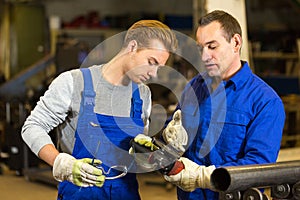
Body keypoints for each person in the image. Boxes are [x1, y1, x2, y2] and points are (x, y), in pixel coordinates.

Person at [21, 19, 177, 200]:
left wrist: (148, 154)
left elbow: (134, 153)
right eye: (151, 62)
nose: (154, 74)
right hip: (80, 194)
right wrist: (60, 162)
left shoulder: (143, 95)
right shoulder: (73, 82)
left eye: (159, 67)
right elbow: (32, 126)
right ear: (133, 47)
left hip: (125, 194)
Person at [163, 10, 286, 200]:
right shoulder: (194, 87)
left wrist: (203, 178)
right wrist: (170, 136)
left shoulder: (265, 101)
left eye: (212, 46)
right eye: (200, 49)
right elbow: (175, 133)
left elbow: (259, 166)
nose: (204, 57)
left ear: (235, 43)